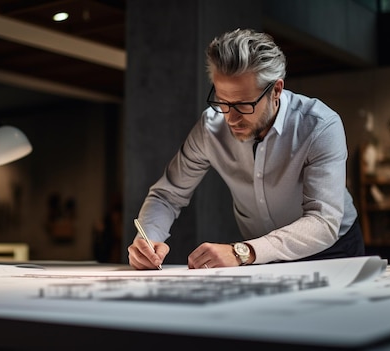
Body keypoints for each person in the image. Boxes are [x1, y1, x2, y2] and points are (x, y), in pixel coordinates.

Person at [128, 28, 364, 270]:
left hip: (332, 249)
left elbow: (323, 221)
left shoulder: (319, 126)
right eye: (222, 101)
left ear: (276, 90)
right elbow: (167, 195)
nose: (230, 118)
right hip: (260, 254)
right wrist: (148, 238)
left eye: (243, 105)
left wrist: (242, 251)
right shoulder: (211, 127)